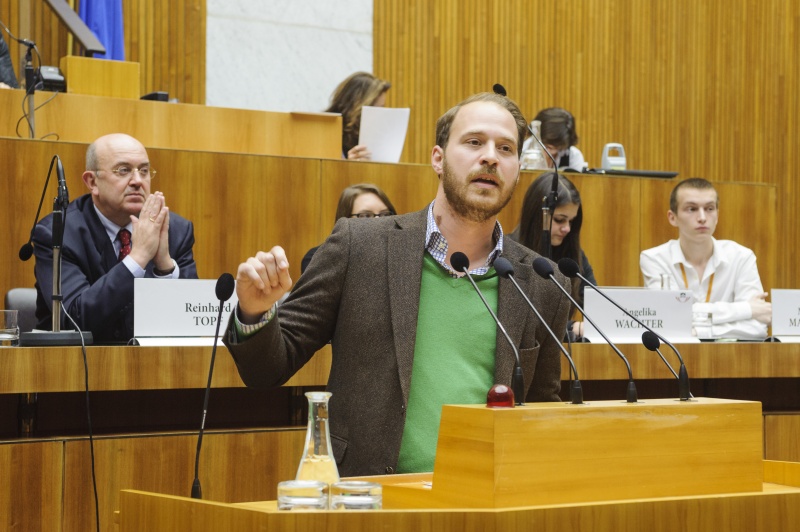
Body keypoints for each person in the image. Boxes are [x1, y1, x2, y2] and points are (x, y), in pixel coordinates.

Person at [224, 92, 572, 477]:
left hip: (483, 492)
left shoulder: (541, 283)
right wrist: (255, 312)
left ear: (517, 170)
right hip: (369, 493)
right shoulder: (360, 247)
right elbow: (267, 369)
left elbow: (543, 410)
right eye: (474, 142)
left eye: (505, 148)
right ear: (437, 158)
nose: (490, 157)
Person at [32, 133, 197, 344]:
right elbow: (75, 320)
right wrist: (137, 258)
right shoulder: (58, 234)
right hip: (77, 362)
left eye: (144, 171)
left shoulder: (175, 230)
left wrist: (165, 267)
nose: (137, 181)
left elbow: (192, 322)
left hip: (154, 361)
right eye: (123, 170)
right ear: (92, 182)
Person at [640, 177, 770, 340]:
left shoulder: (741, 257)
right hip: (675, 353)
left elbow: (758, 326)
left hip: (733, 353)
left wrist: (698, 332)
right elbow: (666, 319)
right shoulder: (655, 259)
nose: (702, 217)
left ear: (717, 215)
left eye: (709, 209)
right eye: (691, 209)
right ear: (673, 218)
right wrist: (746, 309)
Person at [514, 172, 595, 340]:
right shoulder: (508, 253)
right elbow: (517, 321)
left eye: (571, 221)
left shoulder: (574, 257)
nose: (567, 229)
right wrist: (570, 327)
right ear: (537, 216)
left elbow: (597, 309)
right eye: (559, 220)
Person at [301, 183, 396, 273]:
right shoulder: (317, 258)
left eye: (385, 214)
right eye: (366, 215)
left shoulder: (398, 254)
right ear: (345, 219)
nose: (379, 221)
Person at [325, 72, 391, 161]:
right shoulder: (325, 133)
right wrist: (350, 166)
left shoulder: (373, 136)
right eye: (376, 109)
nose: (380, 116)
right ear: (356, 107)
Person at [520, 107, 585, 171]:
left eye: (557, 147)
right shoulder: (521, 151)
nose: (551, 151)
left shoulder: (573, 155)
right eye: (547, 146)